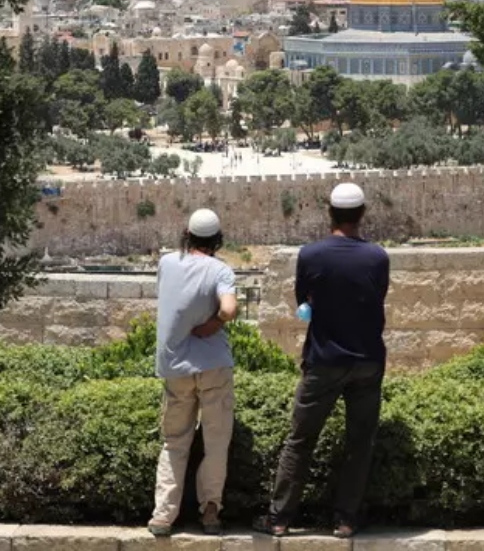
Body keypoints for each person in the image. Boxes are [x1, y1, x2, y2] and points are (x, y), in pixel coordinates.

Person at [254, 182, 389, 539]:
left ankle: (280, 519)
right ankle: (345, 520)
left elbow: (305, 304)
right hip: (368, 360)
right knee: (360, 442)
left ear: (330, 213)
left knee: (300, 440)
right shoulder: (378, 257)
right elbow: (377, 299)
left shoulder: (311, 255)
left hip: (324, 359)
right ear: (362, 214)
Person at [148, 209, 239, 537]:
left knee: (174, 441)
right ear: (217, 239)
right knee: (216, 441)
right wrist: (213, 324)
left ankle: (163, 515)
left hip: (175, 366)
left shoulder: (167, 263)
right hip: (213, 364)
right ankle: (211, 510)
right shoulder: (221, 270)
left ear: (187, 233)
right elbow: (229, 308)